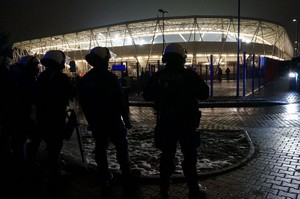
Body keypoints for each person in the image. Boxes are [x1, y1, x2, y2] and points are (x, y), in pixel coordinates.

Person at [143, 43, 209, 199]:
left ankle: (164, 191)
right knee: (190, 159)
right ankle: (193, 190)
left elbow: (147, 95)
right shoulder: (189, 75)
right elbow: (204, 94)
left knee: (166, 158)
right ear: (182, 58)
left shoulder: (158, 76)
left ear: (165, 58)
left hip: (166, 123)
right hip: (186, 124)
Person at [78, 47, 132, 185]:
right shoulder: (110, 77)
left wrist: (90, 119)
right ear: (104, 60)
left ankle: (104, 174)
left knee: (100, 147)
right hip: (112, 119)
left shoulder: (86, 78)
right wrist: (126, 120)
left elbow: (83, 102)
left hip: (96, 120)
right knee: (121, 146)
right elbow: (120, 101)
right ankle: (126, 174)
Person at [35, 50, 75, 178]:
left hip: (42, 116)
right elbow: (72, 94)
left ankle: (52, 166)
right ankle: (54, 172)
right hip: (56, 117)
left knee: (50, 142)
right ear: (59, 62)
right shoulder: (61, 78)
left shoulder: (42, 76)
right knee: (56, 145)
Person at [8, 55, 42, 169]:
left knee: (19, 138)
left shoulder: (17, 75)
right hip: (21, 113)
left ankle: (21, 161)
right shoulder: (26, 78)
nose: (37, 68)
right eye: (35, 65)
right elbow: (31, 97)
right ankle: (27, 163)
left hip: (15, 113)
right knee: (35, 136)